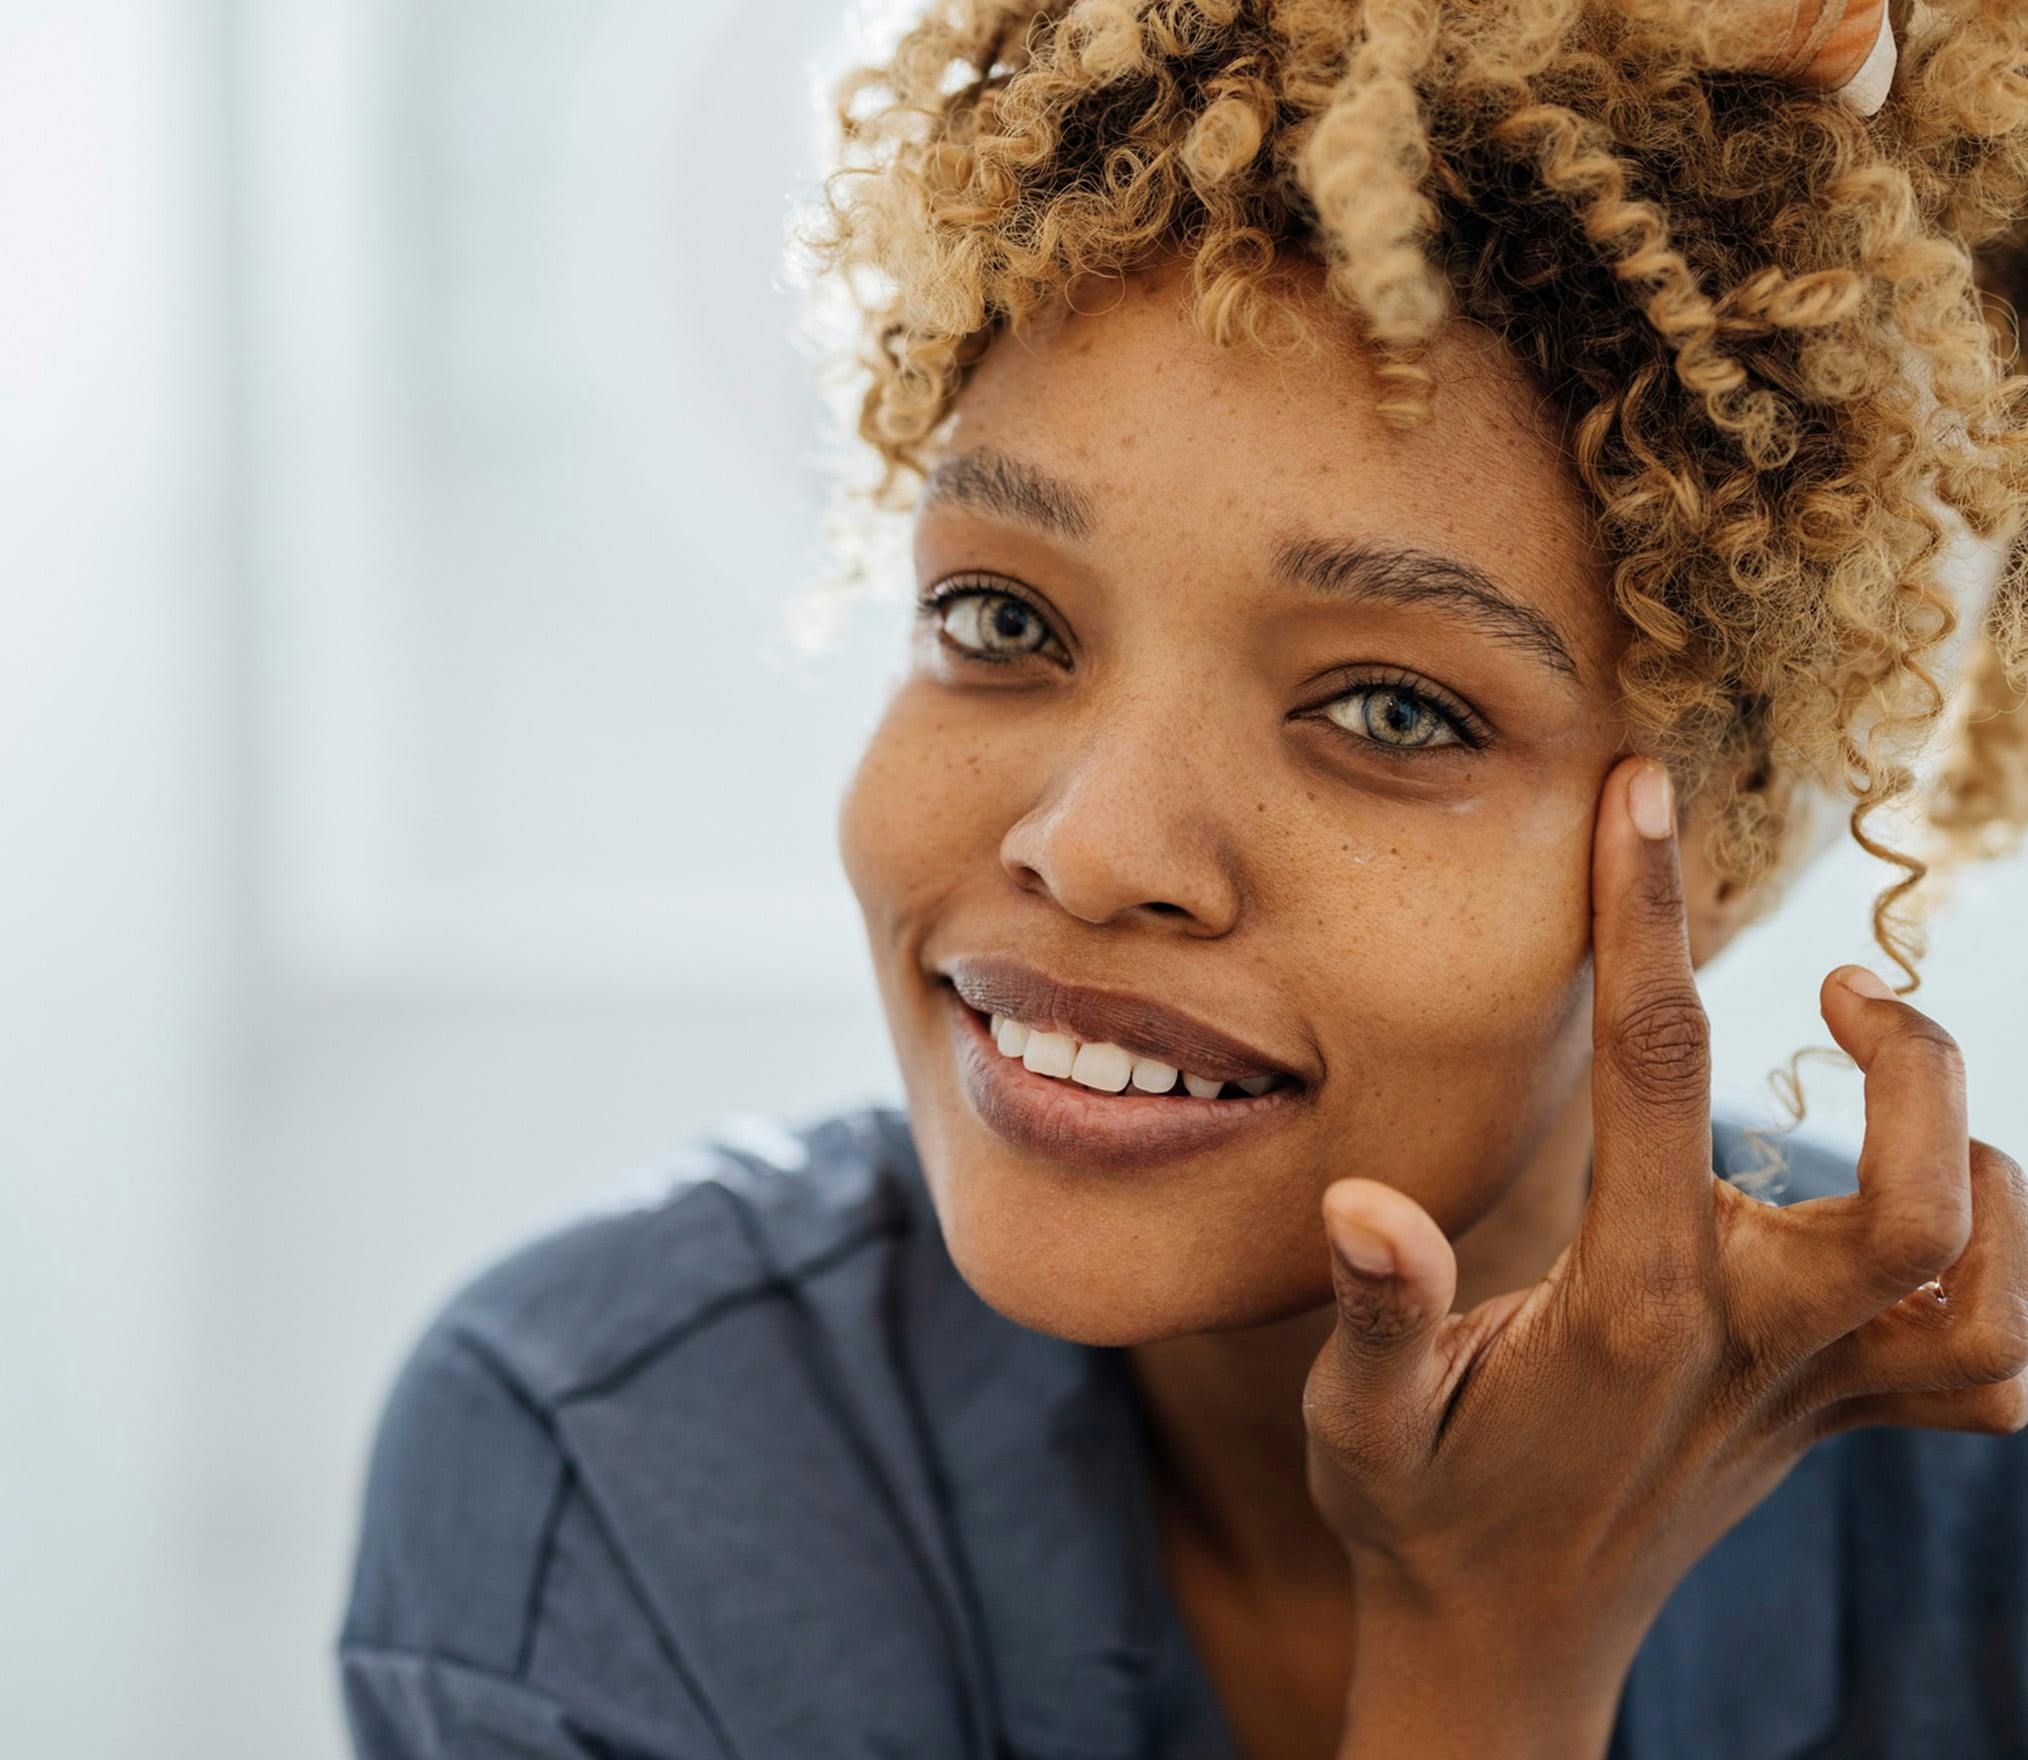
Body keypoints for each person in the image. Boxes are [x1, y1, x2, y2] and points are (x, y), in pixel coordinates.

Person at [337, 3, 2028, 1755]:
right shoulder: (604, 1464)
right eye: (1000, 621)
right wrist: (1498, 1659)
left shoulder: (1978, 1517)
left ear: (1720, 851)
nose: (1092, 846)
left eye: (1389, 707)